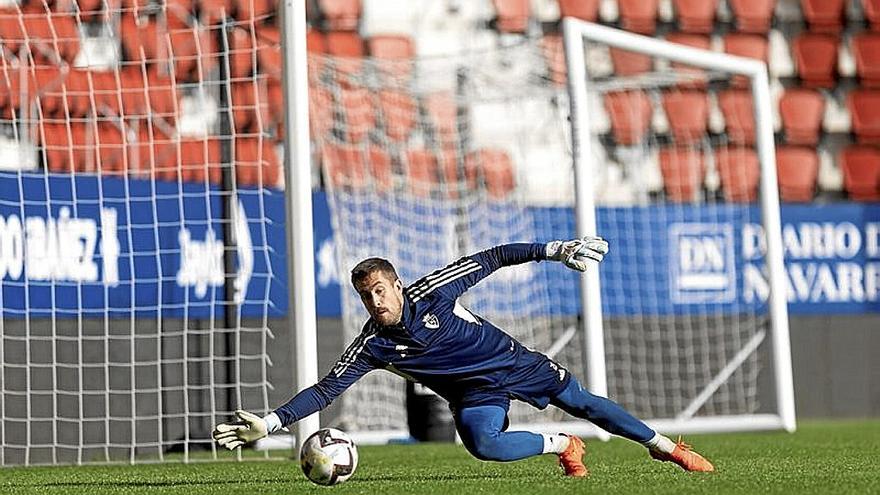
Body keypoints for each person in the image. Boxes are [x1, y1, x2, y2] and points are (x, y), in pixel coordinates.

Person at [213, 238, 714, 476]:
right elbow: (327, 390)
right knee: (483, 445)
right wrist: (274, 422)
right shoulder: (373, 345)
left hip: (512, 362)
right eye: (367, 297)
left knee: (585, 401)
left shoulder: (432, 292)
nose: (376, 302)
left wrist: (555, 250)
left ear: (398, 285)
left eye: (382, 290)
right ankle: (561, 445)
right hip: (474, 394)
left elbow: (492, 258)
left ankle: (667, 448)